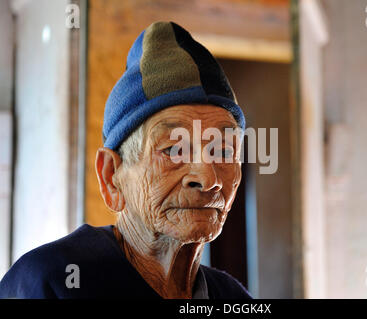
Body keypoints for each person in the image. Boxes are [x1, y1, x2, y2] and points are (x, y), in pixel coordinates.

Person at [0, 21, 250, 299]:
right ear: (111, 177)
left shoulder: (233, 297)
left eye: (224, 151)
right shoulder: (51, 282)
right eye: (174, 150)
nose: (208, 178)